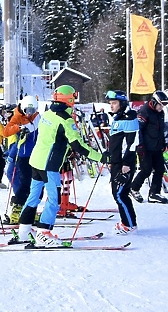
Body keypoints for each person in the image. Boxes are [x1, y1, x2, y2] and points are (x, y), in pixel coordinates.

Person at [14, 86, 106, 246]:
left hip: (36, 161)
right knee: (54, 200)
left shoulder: (47, 113)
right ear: (69, 99)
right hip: (49, 165)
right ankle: (44, 233)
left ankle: (24, 230)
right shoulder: (66, 119)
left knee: (33, 196)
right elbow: (79, 145)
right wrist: (100, 157)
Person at [105, 90, 140, 235]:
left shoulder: (129, 118)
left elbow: (132, 144)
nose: (111, 106)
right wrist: (109, 156)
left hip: (124, 164)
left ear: (122, 103)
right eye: (110, 103)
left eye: (114, 103)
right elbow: (117, 142)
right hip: (117, 161)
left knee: (120, 194)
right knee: (119, 193)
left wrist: (126, 164)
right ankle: (127, 221)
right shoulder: (119, 118)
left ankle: (129, 224)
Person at [2, 95, 40, 224]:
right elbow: (6, 132)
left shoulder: (37, 116)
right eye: (27, 111)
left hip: (37, 155)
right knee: (25, 183)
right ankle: (17, 211)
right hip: (23, 155)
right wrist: (19, 128)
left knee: (36, 185)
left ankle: (30, 210)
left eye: (32, 111)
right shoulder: (17, 116)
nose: (30, 114)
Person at [130, 90, 168, 204]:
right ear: (154, 102)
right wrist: (140, 146)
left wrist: (163, 143)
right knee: (146, 170)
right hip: (145, 147)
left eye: (164, 105)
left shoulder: (160, 113)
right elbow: (138, 130)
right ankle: (133, 188)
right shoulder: (144, 111)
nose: (162, 107)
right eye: (161, 105)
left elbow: (160, 129)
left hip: (156, 146)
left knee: (160, 169)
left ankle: (154, 193)